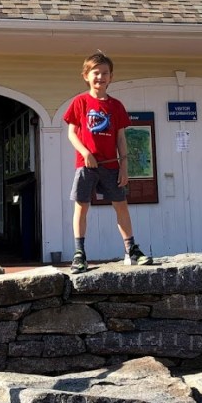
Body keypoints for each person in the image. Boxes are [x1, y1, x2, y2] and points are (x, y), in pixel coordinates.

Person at [63, 50, 152, 273]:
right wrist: (86, 153)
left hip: (111, 165)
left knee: (121, 206)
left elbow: (121, 138)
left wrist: (124, 166)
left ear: (111, 77)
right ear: (86, 76)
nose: (100, 77)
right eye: (96, 72)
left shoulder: (116, 106)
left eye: (105, 73)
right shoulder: (80, 102)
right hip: (87, 165)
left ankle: (131, 249)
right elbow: (71, 133)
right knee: (81, 207)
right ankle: (79, 254)